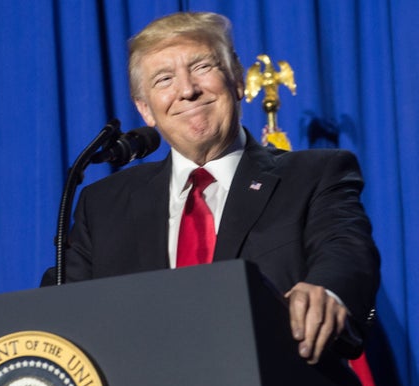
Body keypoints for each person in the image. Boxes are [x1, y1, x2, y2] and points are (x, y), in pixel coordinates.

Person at [63, 11, 380, 364]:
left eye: (201, 67)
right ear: (145, 110)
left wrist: (329, 293)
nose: (187, 90)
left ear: (238, 80)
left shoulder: (314, 175)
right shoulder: (103, 205)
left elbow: (346, 251)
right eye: (164, 79)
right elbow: (60, 314)